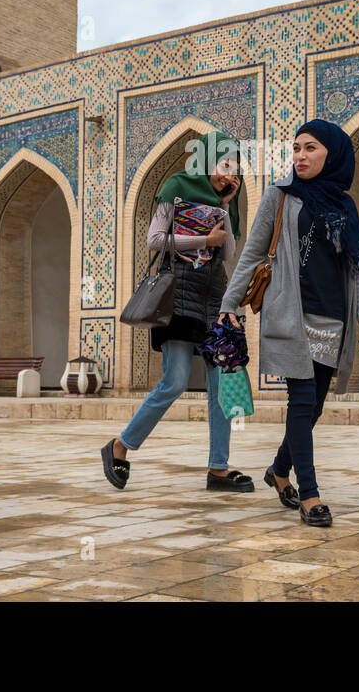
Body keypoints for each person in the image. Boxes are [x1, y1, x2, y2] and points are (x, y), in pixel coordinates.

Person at [217, 120, 359, 528]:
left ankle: (278, 470)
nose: (300, 156)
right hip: (292, 316)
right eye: (296, 148)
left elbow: (356, 270)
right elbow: (253, 252)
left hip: (334, 322)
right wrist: (229, 305)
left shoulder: (345, 206)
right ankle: (309, 494)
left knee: (314, 407)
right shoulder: (281, 195)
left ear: (333, 154)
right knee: (302, 400)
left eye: (310, 148)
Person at [102, 131, 253, 492]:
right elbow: (155, 240)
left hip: (214, 300)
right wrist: (203, 239)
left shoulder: (226, 199)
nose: (228, 175)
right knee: (174, 381)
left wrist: (227, 206)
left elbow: (228, 252)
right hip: (178, 297)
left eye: (234, 169)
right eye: (224, 165)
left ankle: (218, 468)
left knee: (222, 386)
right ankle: (120, 446)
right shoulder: (175, 186)